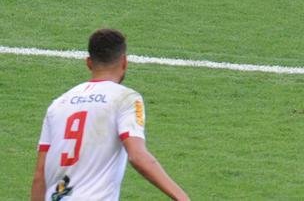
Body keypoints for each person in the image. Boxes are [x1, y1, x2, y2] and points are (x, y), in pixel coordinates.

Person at [32, 29, 188, 201]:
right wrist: (182, 197)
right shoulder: (126, 98)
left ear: (89, 63)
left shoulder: (58, 104)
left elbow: (40, 175)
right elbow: (137, 156)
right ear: (124, 62)